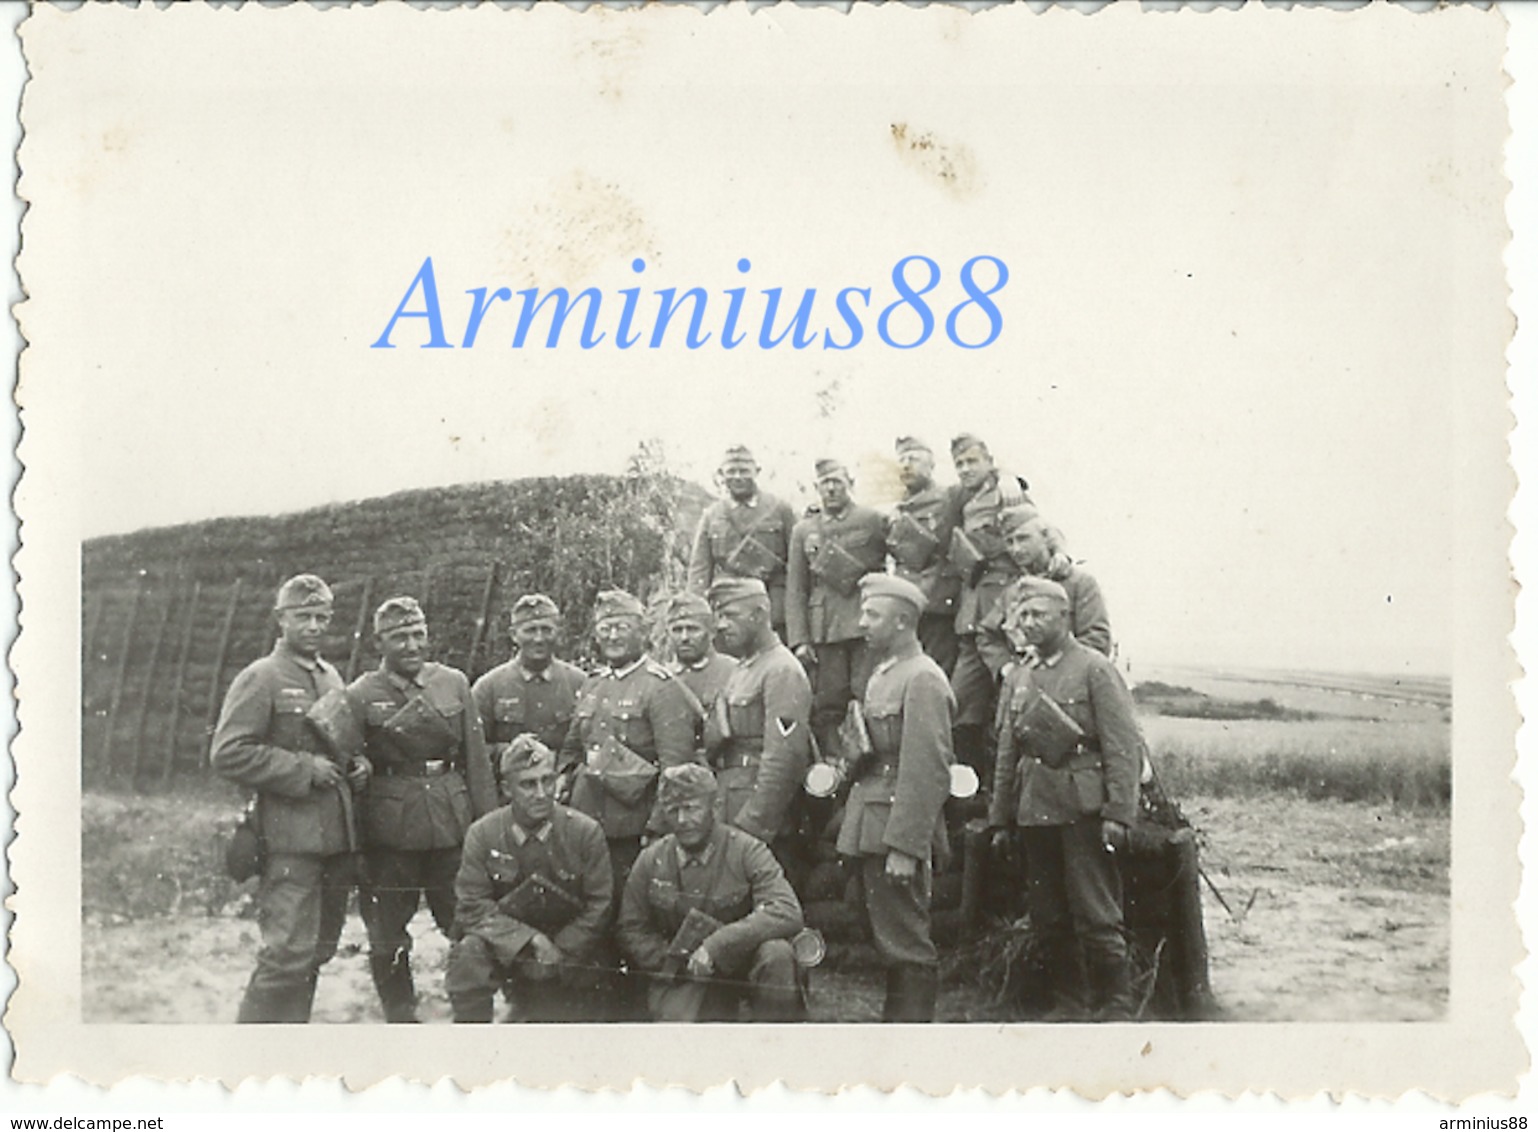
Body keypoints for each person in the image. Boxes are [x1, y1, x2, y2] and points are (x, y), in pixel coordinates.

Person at [210, 573, 371, 1023]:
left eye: (322, 616)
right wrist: (303, 769)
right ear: (282, 619)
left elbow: (340, 742)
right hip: (290, 842)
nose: (315, 625)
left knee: (316, 953)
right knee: (285, 957)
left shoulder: (330, 675)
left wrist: (357, 766)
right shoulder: (262, 677)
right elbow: (228, 753)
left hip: (336, 841)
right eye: (304, 617)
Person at [988, 577, 1142, 1022]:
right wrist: (1001, 818)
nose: (1028, 623)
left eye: (1038, 614)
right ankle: (1068, 1004)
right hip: (1036, 809)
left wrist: (1119, 812)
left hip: (1083, 812)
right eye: (1022, 616)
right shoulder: (1020, 676)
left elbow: (1120, 745)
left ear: (1065, 617)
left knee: (1096, 913)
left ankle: (1116, 1006)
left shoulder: (1094, 669)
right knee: (1049, 916)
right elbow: (1006, 754)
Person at [347, 596, 497, 1022]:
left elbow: (477, 761)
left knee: (466, 922)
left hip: (451, 824)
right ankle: (401, 1013)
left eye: (418, 634)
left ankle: (471, 1009)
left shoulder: (452, 684)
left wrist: (486, 831)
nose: (412, 645)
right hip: (390, 833)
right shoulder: (361, 694)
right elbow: (350, 766)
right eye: (399, 638)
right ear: (380, 642)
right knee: (387, 931)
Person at [837, 574, 954, 1022]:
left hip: (893, 830)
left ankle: (909, 1045)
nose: (861, 622)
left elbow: (927, 771)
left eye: (872, 614)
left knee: (905, 940)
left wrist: (906, 847)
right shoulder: (885, 673)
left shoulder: (923, 679)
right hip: (869, 822)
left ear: (903, 621)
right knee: (885, 933)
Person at [618, 764, 805, 1022]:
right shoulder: (652, 860)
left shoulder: (748, 851)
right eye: (673, 810)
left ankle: (772, 1043)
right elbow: (631, 927)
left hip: (739, 965)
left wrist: (717, 946)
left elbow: (785, 910)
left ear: (715, 807)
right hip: (682, 972)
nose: (682, 820)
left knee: (777, 955)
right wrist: (676, 962)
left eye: (692, 808)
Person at [445, 736, 613, 1023]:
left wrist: (562, 948)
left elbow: (601, 904)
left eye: (547, 780)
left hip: (568, 946)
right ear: (506, 789)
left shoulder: (585, 832)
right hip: (508, 946)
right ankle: (472, 1047)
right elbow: (472, 905)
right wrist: (529, 940)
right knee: (468, 955)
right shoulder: (483, 833)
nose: (541, 793)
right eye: (527, 784)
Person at [559, 589, 699, 891]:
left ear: (642, 631)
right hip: (586, 822)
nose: (612, 636)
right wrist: (563, 780)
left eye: (621, 627)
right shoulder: (593, 683)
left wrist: (657, 828)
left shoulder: (660, 688)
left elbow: (675, 767)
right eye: (605, 628)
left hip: (632, 829)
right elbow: (572, 748)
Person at [707, 577, 813, 883]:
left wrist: (754, 824)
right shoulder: (743, 667)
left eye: (731, 616)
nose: (722, 625)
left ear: (759, 614)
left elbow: (784, 759)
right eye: (718, 616)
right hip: (730, 806)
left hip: (759, 819)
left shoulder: (781, 670)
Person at [786, 457, 888, 763]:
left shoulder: (871, 519)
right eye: (825, 484)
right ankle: (831, 771)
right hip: (824, 630)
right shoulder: (804, 530)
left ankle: (870, 762)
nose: (831, 489)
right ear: (817, 488)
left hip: (863, 624)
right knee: (828, 703)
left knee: (868, 695)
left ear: (850, 484)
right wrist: (800, 639)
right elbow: (796, 588)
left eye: (837, 482)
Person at [945, 434, 1032, 784]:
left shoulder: (1008, 491)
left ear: (989, 461)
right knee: (960, 703)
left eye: (972, 462)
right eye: (959, 464)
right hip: (971, 616)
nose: (965, 469)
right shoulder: (961, 497)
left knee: (1014, 704)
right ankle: (968, 788)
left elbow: (1037, 530)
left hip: (1006, 609)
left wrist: (1009, 476)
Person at [977, 506, 1112, 679]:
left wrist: (1053, 667)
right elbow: (986, 635)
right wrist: (1006, 667)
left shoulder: (1079, 583)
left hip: (1069, 682)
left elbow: (1097, 639)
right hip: (1024, 685)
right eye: (1009, 542)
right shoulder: (1013, 591)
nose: (1016, 549)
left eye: (1023, 539)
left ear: (1046, 537)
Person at [471, 593, 586, 792]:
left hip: (566, 793)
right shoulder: (488, 687)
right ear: (514, 634)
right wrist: (513, 752)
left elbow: (591, 744)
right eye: (530, 630)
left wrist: (566, 774)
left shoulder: (580, 683)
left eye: (546, 630)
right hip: (509, 797)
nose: (539, 638)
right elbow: (475, 750)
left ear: (558, 632)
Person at [686, 444, 798, 637]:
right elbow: (700, 571)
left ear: (757, 471)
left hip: (772, 605)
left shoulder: (780, 510)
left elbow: (797, 566)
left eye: (744, 471)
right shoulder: (712, 515)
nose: (737, 477)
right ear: (721, 474)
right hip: (730, 606)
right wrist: (696, 615)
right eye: (731, 472)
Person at [887, 436, 962, 674]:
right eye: (902, 460)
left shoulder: (949, 497)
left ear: (931, 466)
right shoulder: (897, 507)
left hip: (937, 604)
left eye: (914, 459)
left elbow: (984, 487)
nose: (907, 465)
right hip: (907, 605)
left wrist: (1009, 480)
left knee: (937, 672)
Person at [662, 590, 737, 758]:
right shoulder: (662, 677)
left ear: (711, 632)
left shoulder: (732, 671)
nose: (684, 637)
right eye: (677, 630)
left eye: (693, 629)